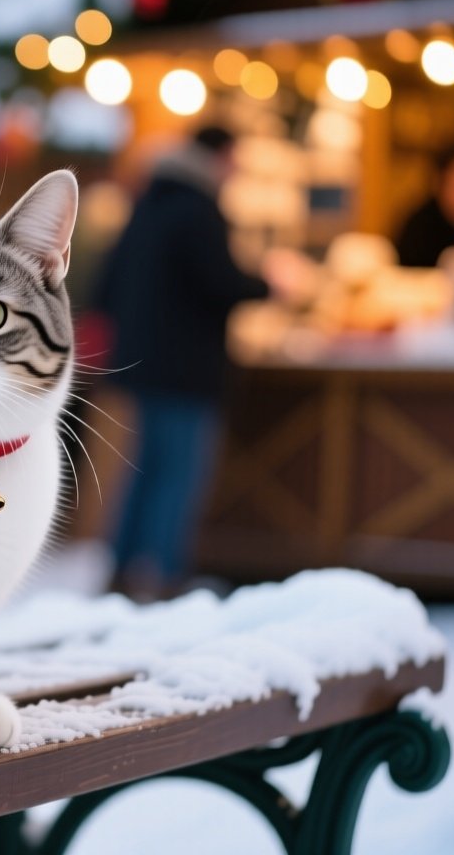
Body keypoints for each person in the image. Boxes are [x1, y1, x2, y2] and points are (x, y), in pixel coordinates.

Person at [92, 126, 305, 598]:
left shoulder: (149, 203)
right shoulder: (199, 210)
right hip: (187, 366)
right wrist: (271, 285)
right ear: (219, 156)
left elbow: (106, 285)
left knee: (145, 469)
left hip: (142, 362)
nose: (235, 173)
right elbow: (221, 282)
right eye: (235, 161)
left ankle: (121, 570)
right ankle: (166, 574)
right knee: (179, 474)